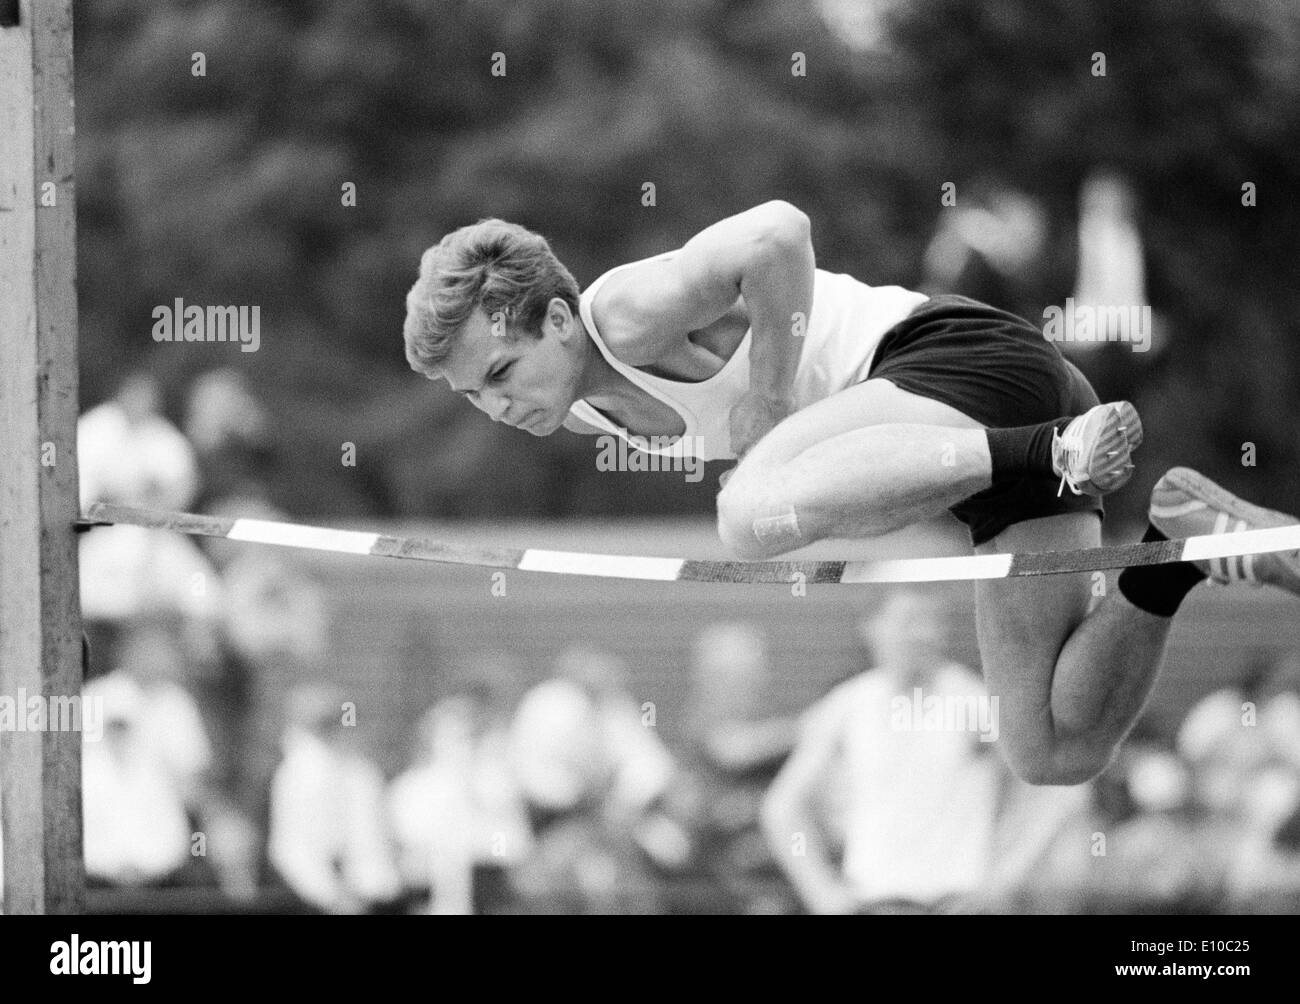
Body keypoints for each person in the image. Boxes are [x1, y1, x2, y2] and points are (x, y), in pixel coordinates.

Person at [402, 202, 1300, 786]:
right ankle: (1176, 546)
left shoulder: (628, 311)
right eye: (474, 395)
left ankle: (1054, 450)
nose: (496, 405)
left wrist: (767, 390)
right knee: (1050, 747)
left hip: (963, 364)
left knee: (749, 519)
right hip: (981, 448)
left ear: (557, 321)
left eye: (501, 372)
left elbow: (780, 233)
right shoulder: (573, 409)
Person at [760, 589, 1001, 913]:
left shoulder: (974, 702)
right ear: (873, 626)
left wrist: (1006, 876)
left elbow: (1056, 794)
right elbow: (782, 808)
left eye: (933, 620)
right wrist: (821, 892)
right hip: (877, 900)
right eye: (908, 620)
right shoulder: (849, 704)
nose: (923, 634)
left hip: (958, 901)